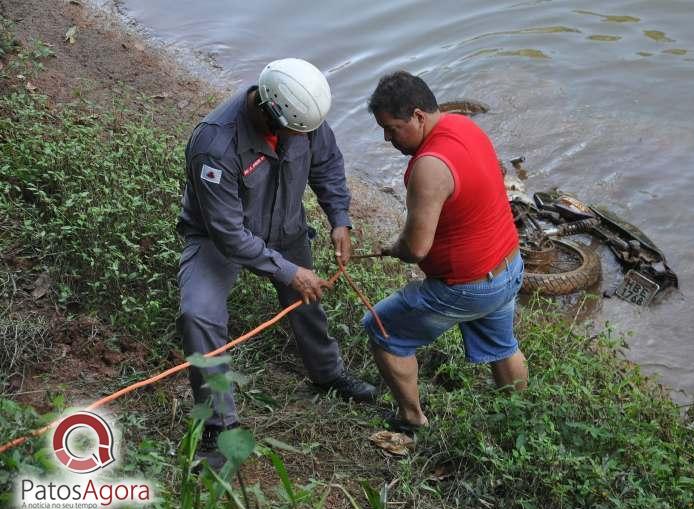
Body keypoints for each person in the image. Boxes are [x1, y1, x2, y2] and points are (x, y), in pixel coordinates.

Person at [177, 58, 377, 466]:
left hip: (285, 227)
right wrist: (289, 271)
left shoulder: (302, 115)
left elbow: (327, 165)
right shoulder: (215, 145)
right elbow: (229, 234)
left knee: (307, 303)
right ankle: (219, 426)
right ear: (267, 110)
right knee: (198, 313)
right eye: (294, 132)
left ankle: (327, 374)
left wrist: (339, 218)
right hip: (218, 238)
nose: (302, 137)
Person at [363, 71, 528, 431]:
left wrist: (394, 248)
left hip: (467, 287)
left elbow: (417, 248)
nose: (388, 139)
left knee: (381, 329)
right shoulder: (464, 126)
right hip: (509, 266)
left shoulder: (429, 167)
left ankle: (411, 419)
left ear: (419, 116)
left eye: (392, 128)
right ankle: (519, 421)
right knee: (504, 347)